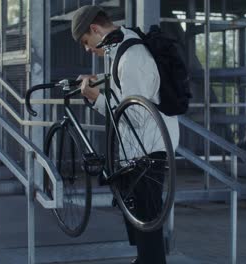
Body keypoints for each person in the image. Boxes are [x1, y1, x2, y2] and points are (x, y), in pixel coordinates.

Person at [71, 5, 179, 264]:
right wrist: (100, 85)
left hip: (148, 150)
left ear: (95, 29)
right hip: (138, 151)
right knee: (139, 221)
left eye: (86, 42)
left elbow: (136, 115)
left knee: (147, 225)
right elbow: (125, 95)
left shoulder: (132, 57)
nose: (88, 49)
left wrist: (96, 98)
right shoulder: (121, 47)